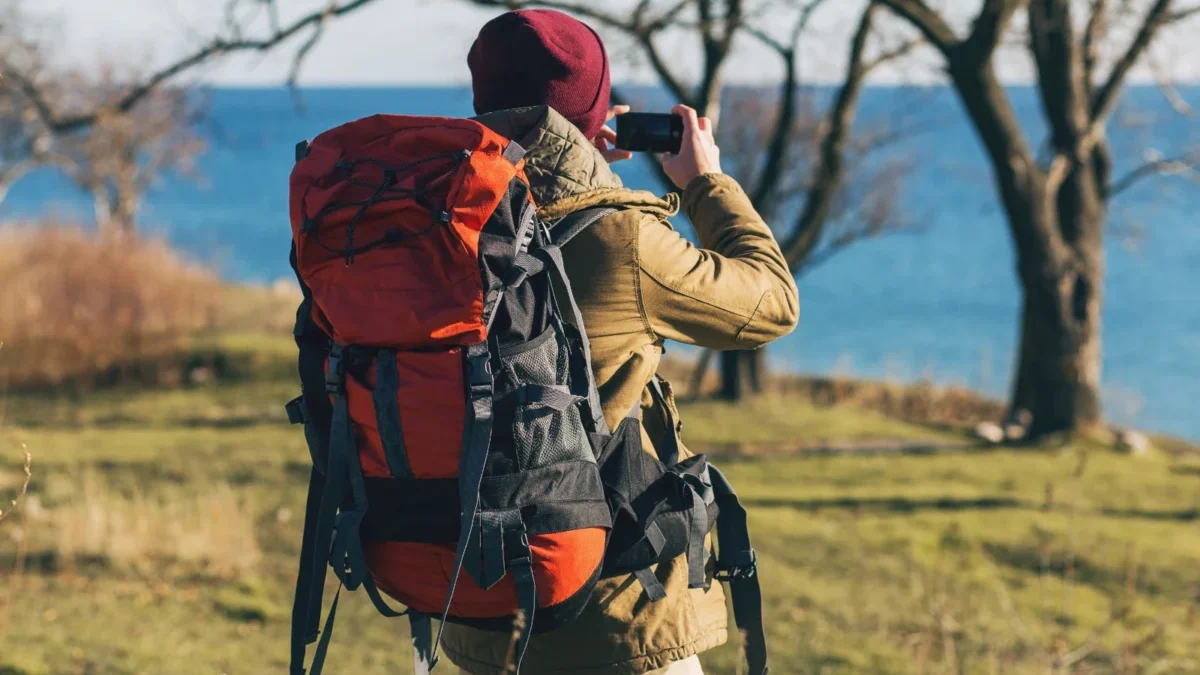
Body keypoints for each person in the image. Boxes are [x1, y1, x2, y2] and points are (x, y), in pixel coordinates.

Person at [444, 8, 800, 675]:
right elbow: (772, 302)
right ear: (593, 113)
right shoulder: (620, 238)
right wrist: (703, 183)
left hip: (475, 617)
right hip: (613, 618)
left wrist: (575, 167)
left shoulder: (441, 224)